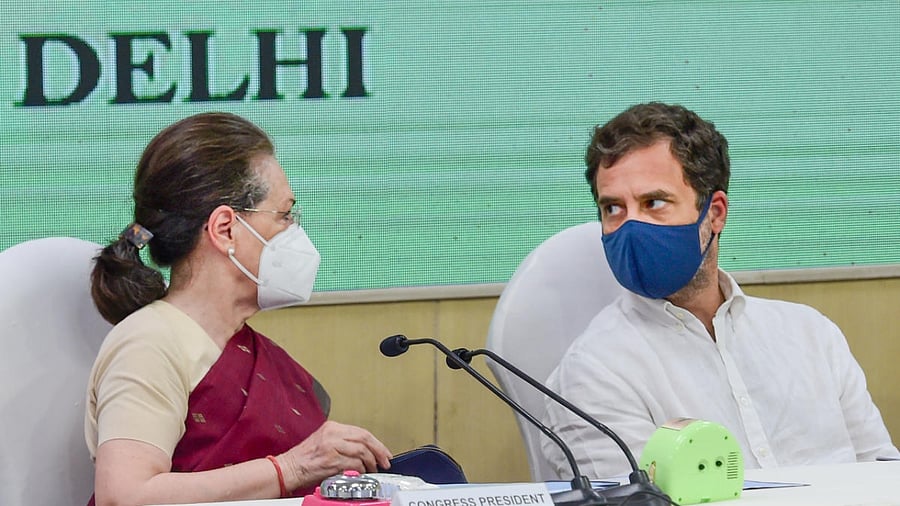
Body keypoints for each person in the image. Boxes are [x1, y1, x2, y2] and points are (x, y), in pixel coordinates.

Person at [541, 102, 900, 479]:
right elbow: (631, 500)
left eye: (654, 203)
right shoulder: (591, 373)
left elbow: (882, 474)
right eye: (613, 208)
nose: (631, 226)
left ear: (714, 213)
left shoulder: (812, 336)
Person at [86, 112, 392, 505]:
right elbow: (125, 496)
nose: (294, 232)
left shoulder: (251, 349)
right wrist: (292, 468)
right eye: (284, 215)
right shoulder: (149, 344)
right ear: (225, 229)